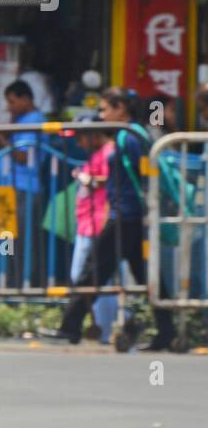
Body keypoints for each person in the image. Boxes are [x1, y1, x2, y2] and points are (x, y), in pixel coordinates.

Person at [56, 88, 177, 350]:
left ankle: (70, 326)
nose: (102, 115)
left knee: (94, 269)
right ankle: (168, 331)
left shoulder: (128, 138)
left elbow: (142, 175)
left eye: (105, 109)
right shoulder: (134, 134)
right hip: (131, 215)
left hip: (125, 215)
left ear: (120, 108)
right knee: (147, 277)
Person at [0, 80, 46, 286]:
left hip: (25, 188)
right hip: (10, 188)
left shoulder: (35, 120)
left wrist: (2, 141)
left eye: (12, 102)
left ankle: (24, 283)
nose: (9, 107)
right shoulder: (21, 119)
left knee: (22, 240)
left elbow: (24, 156)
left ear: (26, 99)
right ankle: (9, 280)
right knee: (6, 236)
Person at [70, 127, 119, 344]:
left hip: (97, 224)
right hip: (88, 223)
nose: (79, 144)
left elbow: (108, 182)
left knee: (91, 279)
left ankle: (104, 329)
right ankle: (98, 327)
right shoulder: (100, 153)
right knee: (90, 279)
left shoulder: (109, 152)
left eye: (81, 137)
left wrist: (83, 177)